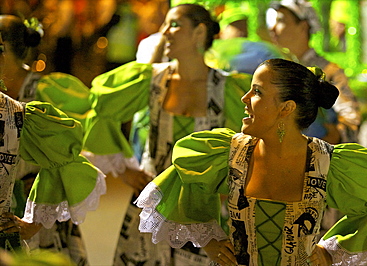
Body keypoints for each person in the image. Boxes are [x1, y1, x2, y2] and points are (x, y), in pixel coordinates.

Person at [135, 58, 367, 266]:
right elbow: (186, 182)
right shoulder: (226, 153)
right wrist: (211, 241)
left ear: (286, 108)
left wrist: (330, 253)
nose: (244, 98)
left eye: (257, 92)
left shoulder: (328, 162)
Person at [83, 3, 250, 265]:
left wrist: (228, 184)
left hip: (203, 213)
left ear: (199, 33)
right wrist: (124, 170)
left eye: (174, 25)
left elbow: (253, 141)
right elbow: (101, 110)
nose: (164, 33)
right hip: (152, 206)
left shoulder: (228, 87)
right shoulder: (151, 79)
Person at [0, 14, 93, 264]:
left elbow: (68, 162)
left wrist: (35, 222)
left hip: (39, 208)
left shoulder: (48, 92)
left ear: (4, 48)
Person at [267, 0, 361, 144]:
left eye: (281, 21)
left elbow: (351, 119)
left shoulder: (328, 72)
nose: (273, 28)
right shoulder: (275, 70)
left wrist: (335, 135)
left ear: (303, 27)